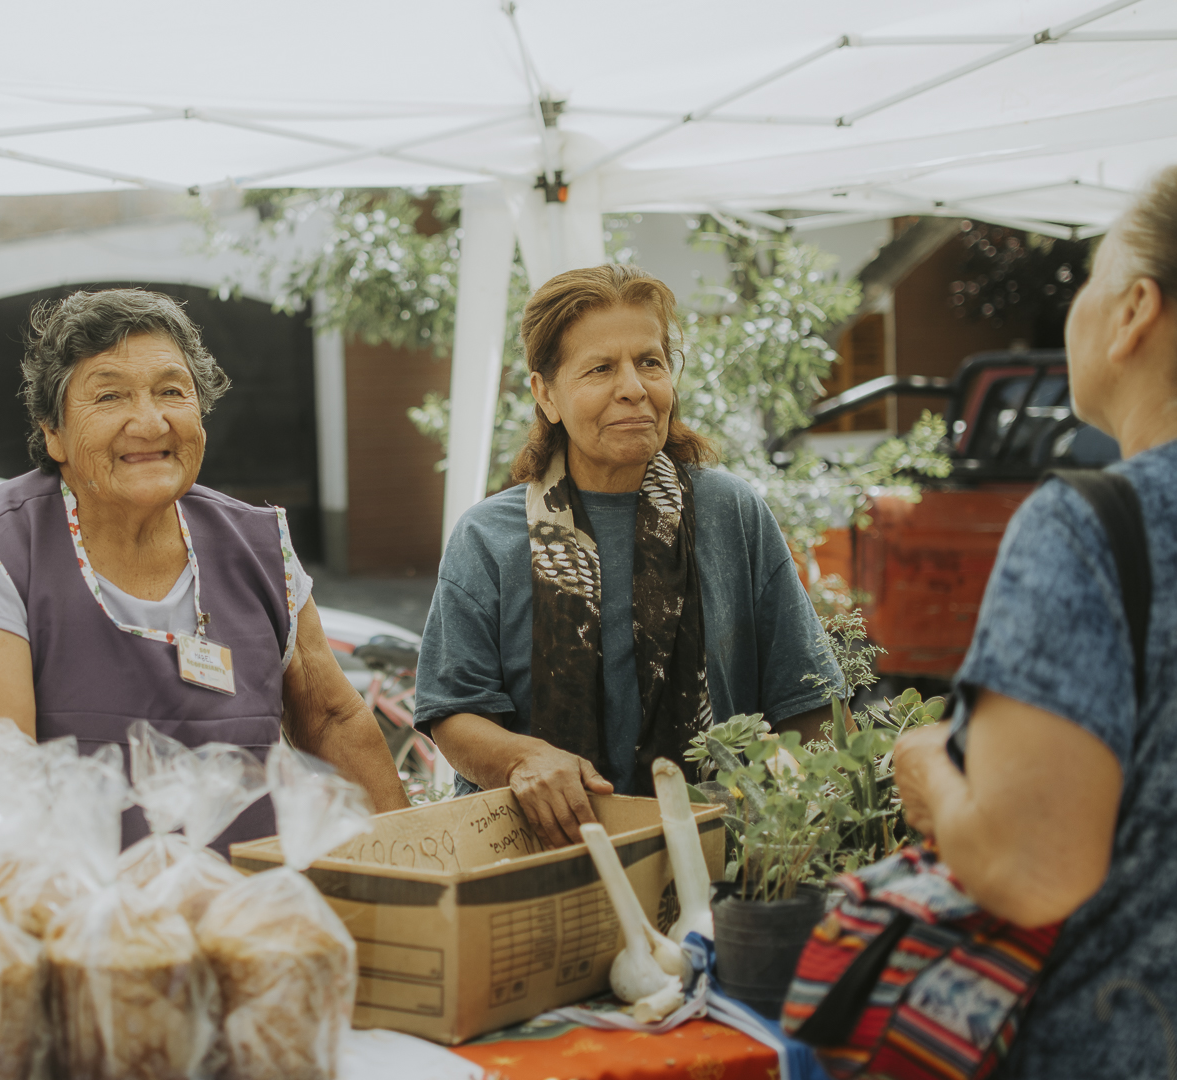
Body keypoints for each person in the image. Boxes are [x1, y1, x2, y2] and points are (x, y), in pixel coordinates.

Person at [0, 288, 409, 853]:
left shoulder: (259, 545)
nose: (148, 422)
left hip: (245, 913)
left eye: (172, 391)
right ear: (53, 432)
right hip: (70, 918)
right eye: (109, 397)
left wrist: (418, 868)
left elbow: (333, 719)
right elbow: (3, 780)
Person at [895, 167, 1177, 1079]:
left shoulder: (1088, 527)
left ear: (1134, 310)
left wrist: (934, 766)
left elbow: (1028, 871)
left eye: (1088, 281)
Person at [415, 264, 841, 848]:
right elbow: (452, 711)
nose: (634, 388)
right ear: (546, 394)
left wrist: (801, 830)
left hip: (719, 855)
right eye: (599, 369)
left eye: (650, 362)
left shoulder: (731, 514)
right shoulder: (488, 538)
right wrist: (522, 759)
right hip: (535, 858)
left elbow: (807, 699)